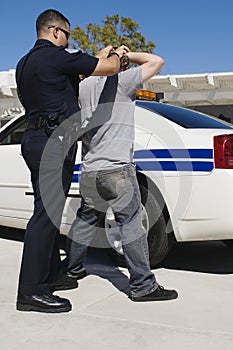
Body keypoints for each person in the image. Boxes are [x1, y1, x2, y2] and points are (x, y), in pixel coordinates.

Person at [15, 9, 128, 313]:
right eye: (67, 34)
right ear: (55, 31)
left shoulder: (24, 63)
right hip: (54, 142)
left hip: (35, 140)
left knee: (47, 210)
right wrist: (119, 55)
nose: (68, 41)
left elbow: (75, 74)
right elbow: (108, 68)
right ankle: (31, 291)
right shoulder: (59, 55)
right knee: (45, 216)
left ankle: (51, 274)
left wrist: (97, 59)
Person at [65, 49, 178, 302]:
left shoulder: (82, 87)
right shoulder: (122, 80)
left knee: (85, 221)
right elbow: (157, 61)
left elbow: (94, 66)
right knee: (130, 226)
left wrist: (105, 54)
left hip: (90, 168)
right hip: (116, 168)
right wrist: (126, 53)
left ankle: (71, 270)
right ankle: (143, 285)